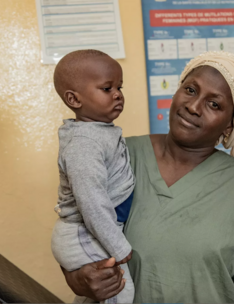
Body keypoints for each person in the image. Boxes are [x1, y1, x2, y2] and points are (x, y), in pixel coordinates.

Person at [62, 51, 234, 303]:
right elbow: (72, 230)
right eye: (190, 90)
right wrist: (79, 280)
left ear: (229, 126)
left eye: (214, 104)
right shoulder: (117, 153)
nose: (193, 106)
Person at [51, 50, 135, 304]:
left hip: (90, 232)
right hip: (82, 233)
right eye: (107, 88)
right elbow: (91, 201)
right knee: (120, 291)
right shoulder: (83, 144)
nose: (118, 94)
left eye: (119, 87)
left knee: (100, 296)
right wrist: (120, 247)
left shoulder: (98, 132)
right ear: (74, 99)